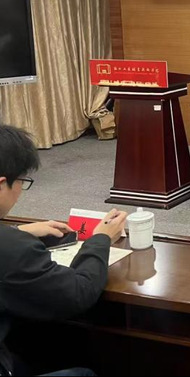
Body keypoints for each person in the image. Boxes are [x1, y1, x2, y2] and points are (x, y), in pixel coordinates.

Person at [0, 125, 128, 377]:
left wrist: (18, 231)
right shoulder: (11, 250)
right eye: (22, 181)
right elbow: (78, 293)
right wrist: (101, 238)